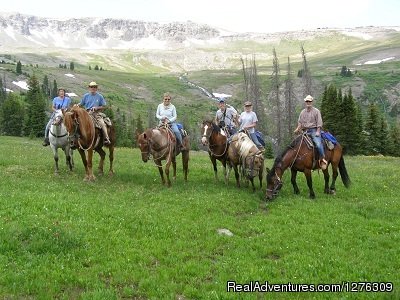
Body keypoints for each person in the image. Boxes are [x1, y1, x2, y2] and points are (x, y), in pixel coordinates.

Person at [294, 95, 327, 170]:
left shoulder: (316, 111)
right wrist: (297, 129)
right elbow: (300, 122)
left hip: (314, 130)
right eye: (307, 101)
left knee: (318, 144)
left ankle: (322, 159)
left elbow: (319, 122)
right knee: (296, 144)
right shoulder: (302, 112)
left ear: (312, 102)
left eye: (309, 101)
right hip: (305, 131)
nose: (308, 102)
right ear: (305, 102)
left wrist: (318, 131)